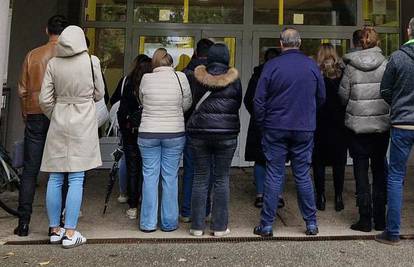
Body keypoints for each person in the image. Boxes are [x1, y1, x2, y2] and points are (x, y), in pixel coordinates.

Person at [253, 27, 326, 237]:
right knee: (302, 174)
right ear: (300, 43)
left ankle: (267, 225)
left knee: (274, 175)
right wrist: (308, 114)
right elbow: (321, 97)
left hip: (275, 126)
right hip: (304, 126)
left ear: (281, 43)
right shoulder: (311, 66)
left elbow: (259, 100)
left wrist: (262, 124)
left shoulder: (271, 66)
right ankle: (311, 223)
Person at [39, 25, 105, 248]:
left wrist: (56, 113)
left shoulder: (53, 63)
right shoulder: (91, 61)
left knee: (55, 177)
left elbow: (45, 100)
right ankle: (70, 232)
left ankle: (55, 230)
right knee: (77, 177)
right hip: (83, 121)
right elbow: (100, 93)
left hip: (59, 120)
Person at [14, 15, 68, 237]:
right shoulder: (69, 56)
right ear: (65, 33)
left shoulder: (33, 55)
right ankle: (58, 222)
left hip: (35, 113)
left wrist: (26, 114)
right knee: (61, 169)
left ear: (47, 30)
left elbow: (22, 90)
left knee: (30, 171)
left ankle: (24, 223)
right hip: (60, 114)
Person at [187, 43, 242, 237]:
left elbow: (189, 102)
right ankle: (219, 227)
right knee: (221, 178)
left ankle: (197, 227)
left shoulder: (196, 77)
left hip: (199, 133)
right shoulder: (234, 80)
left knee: (200, 178)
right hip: (226, 134)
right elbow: (237, 103)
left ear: (209, 58)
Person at [339, 27, 390, 233]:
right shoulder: (386, 64)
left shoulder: (350, 67)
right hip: (381, 126)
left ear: (359, 43)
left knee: (360, 171)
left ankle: (365, 219)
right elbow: (390, 92)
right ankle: (380, 219)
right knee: (379, 170)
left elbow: (343, 96)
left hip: (357, 128)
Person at [138, 48, 192, 232]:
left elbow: (143, 101)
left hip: (148, 133)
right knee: (170, 177)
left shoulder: (146, 78)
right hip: (174, 133)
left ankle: (147, 223)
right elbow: (187, 103)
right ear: (171, 63)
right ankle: (169, 223)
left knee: (150, 177)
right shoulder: (180, 77)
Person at [376, 18, 414, 245]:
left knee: (396, 176)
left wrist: (398, 103)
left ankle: (392, 232)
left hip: (402, 124)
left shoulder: (398, 57)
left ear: (408, 30)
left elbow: (385, 90)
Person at [244, 48, 284, 209]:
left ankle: (260, 195)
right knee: (277, 160)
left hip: (259, 124)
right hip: (280, 122)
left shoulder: (257, 76)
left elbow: (249, 100)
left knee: (260, 160)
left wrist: (257, 116)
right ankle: (278, 196)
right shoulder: (283, 75)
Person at [180, 38, 214, 223]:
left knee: (190, 170)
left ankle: (186, 211)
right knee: (207, 171)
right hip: (209, 128)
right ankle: (204, 210)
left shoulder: (185, 73)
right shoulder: (215, 74)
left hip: (189, 127)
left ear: (195, 53)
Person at [116, 55, 152, 219]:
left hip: (131, 132)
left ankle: (132, 206)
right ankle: (147, 201)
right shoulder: (152, 85)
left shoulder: (127, 83)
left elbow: (121, 110)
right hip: (149, 132)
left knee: (132, 168)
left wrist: (125, 129)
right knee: (149, 169)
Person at [313, 44, 347, 212]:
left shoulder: (315, 74)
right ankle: (339, 197)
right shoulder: (343, 74)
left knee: (318, 163)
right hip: (339, 124)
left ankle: (320, 197)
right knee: (339, 163)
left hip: (319, 124)